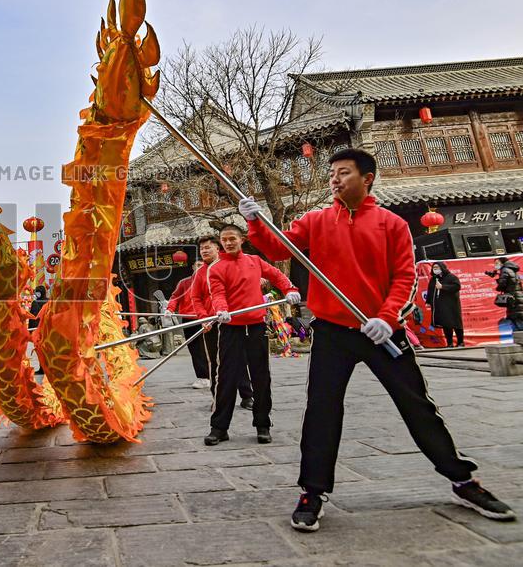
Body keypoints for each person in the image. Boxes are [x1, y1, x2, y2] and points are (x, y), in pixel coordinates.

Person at [239, 147, 515, 531]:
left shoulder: (391, 224)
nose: (334, 179)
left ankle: (463, 480)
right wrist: (255, 222)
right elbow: (277, 247)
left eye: (344, 172)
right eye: (332, 173)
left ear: (367, 178)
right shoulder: (316, 220)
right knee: (321, 410)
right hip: (333, 331)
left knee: (417, 405)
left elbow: (405, 276)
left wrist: (387, 318)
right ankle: (313, 491)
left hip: (382, 331)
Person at [204, 224, 300, 447]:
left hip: (256, 326)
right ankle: (219, 428)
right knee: (226, 378)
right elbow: (217, 294)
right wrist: (221, 310)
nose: (228, 243)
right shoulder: (216, 268)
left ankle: (263, 425)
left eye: (232, 239)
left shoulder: (254, 261)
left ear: (242, 240)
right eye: (224, 240)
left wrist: (290, 289)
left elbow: (276, 275)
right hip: (231, 327)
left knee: (261, 376)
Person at [190, 235, 254, 405]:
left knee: (239, 358)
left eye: (207, 247)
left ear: (218, 249)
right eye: (201, 249)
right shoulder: (200, 274)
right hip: (212, 323)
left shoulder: (230, 266)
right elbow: (196, 298)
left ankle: (247, 396)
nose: (204, 251)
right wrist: (203, 318)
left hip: (233, 321)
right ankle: (218, 398)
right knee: (215, 362)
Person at [169, 259, 208, 389]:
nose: (200, 267)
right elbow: (175, 297)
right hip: (189, 319)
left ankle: (215, 375)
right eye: (198, 265)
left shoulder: (210, 280)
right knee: (196, 349)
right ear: (193, 267)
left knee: (212, 348)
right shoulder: (184, 283)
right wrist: (170, 309)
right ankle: (203, 377)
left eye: (202, 265)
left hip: (207, 318)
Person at [426, 261, 464, 347]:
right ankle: (449, 343)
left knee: (456, 323)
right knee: (445, 324)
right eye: (434, 268)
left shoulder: (451, 277)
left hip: (451, 304)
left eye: (437, 268)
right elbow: (430, 290)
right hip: (440, 304)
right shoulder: (434, 279)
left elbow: (457, 286)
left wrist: (443, 287)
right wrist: (428, 301)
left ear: (442, 268)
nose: (435, 269)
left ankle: (460, 342)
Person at [491, 257, 523, 330]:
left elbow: (502, 283)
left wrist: (498, 288)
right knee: (518, 314)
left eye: (497, 263)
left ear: (502, 262)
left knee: (516, 316)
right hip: (517, 296)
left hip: (513, 297)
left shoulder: (504, 270)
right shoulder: (512, 270)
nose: (495, 265)